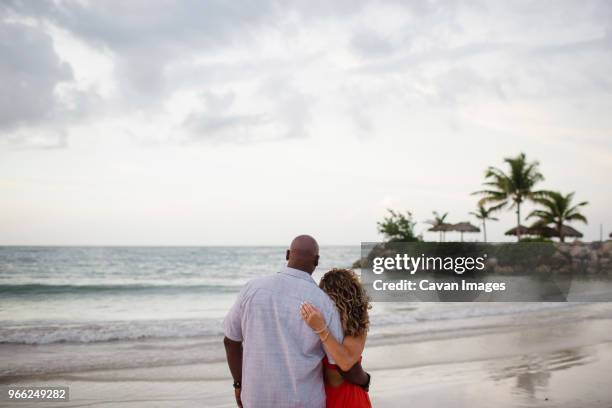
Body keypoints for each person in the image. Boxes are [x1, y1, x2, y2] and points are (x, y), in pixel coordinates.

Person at [223, 235, 370, 408]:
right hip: (304, 402)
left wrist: (239, 383)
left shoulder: (251, 288)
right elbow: (339, 364)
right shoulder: (322, 302)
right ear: (316, 260)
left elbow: (230, 340)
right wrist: (365, 380)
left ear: (287, 254)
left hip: (255, 399)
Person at [300, 268, 372, 408]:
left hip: (349, 398)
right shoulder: (318, 318)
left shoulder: (356, 323)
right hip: (320, 396)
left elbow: (345, 364)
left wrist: (321, 329)